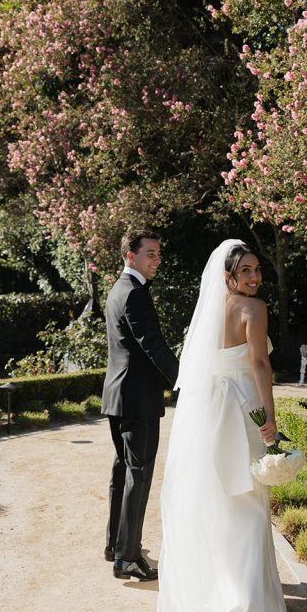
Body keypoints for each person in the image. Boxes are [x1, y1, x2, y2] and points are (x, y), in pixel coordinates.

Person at [76, 239, 289, 612]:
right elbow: (259, 366)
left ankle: (220, 593)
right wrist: (271, 421)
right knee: (248, 504)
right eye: (248, 270)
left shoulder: (210, 310)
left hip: (211, 415)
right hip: (239, 414)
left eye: (259, 271)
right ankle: (251, 607)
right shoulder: (253, 310)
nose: (256, 278)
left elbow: (197, 366)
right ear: (230, 274)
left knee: (222, 503)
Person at [102, 230, 179, 581]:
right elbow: (154, 346)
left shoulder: (118, 290)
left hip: (119, 398)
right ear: (130, 256)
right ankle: (128, 558)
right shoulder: (135, 294)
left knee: (123, 471)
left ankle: (114, 545)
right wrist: (184, 379)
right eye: (150, 253)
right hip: (138, 400)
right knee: (138, 474)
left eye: (159, 253)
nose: (157, 259)